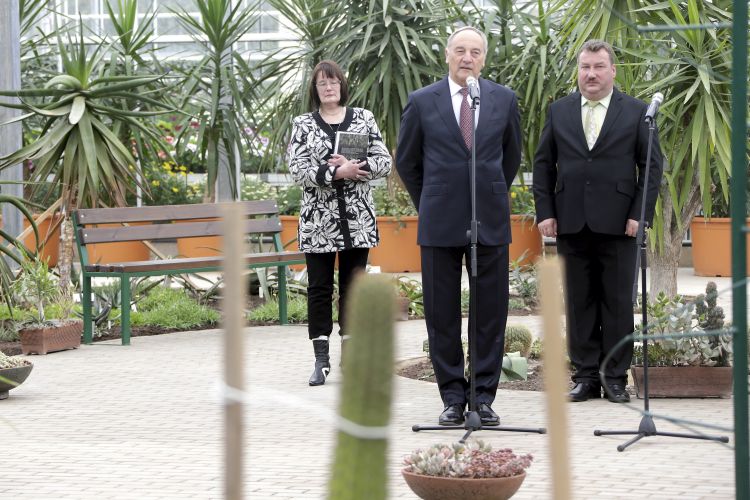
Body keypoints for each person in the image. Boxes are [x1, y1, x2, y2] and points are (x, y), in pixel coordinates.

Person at [396, 27, 522, 426]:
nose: (468, 57)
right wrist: (431, 200)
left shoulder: (503, 99)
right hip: (439, 222)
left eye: (476, 52)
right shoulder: (422, 101)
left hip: (490, 220)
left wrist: (486, 192)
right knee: (441, 314)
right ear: (447, 55)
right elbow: (407, 162)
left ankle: (482, 398)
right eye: (461, 50)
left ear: (484, 59)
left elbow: (511, 157)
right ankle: (452, 397)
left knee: (491, 314)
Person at [532, 40, 663, 403]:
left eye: (598, 67)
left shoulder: (637, 112)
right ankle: (586, 376)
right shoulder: (559, 111)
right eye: (585, 67)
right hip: (571, 220)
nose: (591, 74)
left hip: (620, 223)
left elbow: (651, 167)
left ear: (612, 71)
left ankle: (614, 377)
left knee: (618, 303)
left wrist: (639, 214)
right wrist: (545, 211)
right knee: (579, 303)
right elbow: (543, 164)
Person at [288, 60, 392, 386]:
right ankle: (321, 360)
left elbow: (384, 161)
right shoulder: (303, 124)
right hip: (318, 222)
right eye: (322, 83)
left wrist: (355, 167)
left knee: (353, 289)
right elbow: (297, 169)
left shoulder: (363, 118)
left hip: (357, 221)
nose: (328, 88)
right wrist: (335, 172)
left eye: (333, 82)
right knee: (319, 288)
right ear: (315, 90)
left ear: (342, 85)